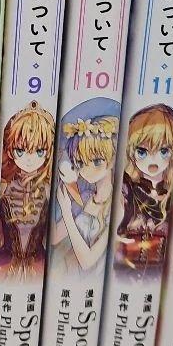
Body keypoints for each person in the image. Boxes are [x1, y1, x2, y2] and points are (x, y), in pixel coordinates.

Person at [114, 103, 173, 279]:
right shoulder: (126, 188)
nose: (153, 161)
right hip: (124, 271)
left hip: (158, 274)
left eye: (163, 151)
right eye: (142, 152)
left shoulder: (172, 192)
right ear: (131, 151)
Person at [51, 113, 119, 274]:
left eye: (96, 161)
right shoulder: (86, 196)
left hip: (91, 280)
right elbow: (54, 238)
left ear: (112, 160)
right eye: (80, 162)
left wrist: (67, 213)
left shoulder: (117, 207)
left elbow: (87, 261)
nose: (86, 170)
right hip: (65, 274)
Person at [0, 102, 54, 280]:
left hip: (39, 267)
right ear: (9, 150)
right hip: (3, 267)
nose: (29, 159)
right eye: (20, 150)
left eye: (39, 151)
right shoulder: (4, 186)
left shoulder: (48, 188)